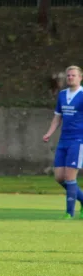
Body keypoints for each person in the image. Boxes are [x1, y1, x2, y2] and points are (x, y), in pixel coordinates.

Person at [43, 65, 83, 219]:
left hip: (78, 141)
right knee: (59, 177)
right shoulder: (62, 95)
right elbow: (57, 116)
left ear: (80, 77)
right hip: (64, 140)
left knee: (70, 177)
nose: (70, 78)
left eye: (73, 75)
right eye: (68, 75)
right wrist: (49, 133)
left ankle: (69, 213)